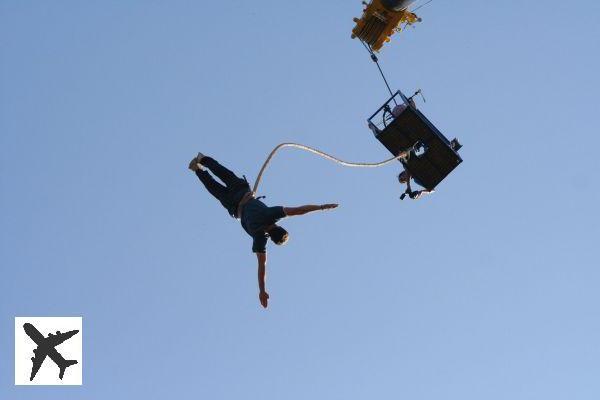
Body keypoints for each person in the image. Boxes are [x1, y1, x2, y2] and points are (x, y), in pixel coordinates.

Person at [188, 152, 338, 308]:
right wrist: (262, 290)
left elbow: (299, 210)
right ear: (271, 239)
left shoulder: (271, 215)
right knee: (213, 187)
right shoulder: (260, 238)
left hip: (241, 191)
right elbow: (262, 267)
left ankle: (203, 159)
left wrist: (321, 207)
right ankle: (197, 169)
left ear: (279, 226)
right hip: (233, 204)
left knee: (222, 172)